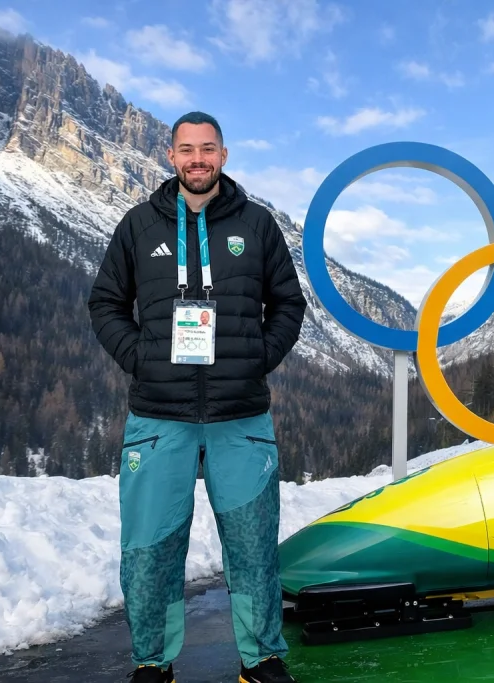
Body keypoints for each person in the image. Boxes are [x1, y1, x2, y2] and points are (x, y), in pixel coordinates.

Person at [88, 111, 307, 683]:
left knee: (254, 545)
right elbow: (105, 303)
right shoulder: (138, 225)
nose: (197, 159)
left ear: (224, 156)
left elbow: (289, 305)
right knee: (150, 547)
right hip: (159, 417)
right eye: (187, 149)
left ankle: (261, 658)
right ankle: (152, 663)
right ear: (170, 156)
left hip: (241, 416)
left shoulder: (257, 225)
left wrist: (258, 358)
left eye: (207, 149)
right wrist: (140, 358)